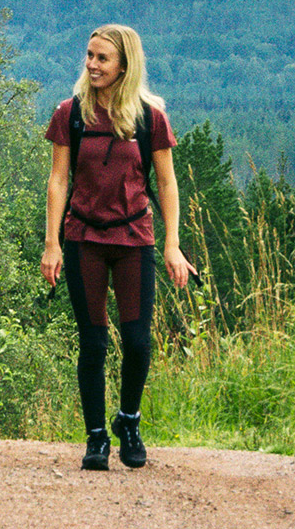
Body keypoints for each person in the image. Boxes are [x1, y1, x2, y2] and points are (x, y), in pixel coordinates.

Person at [40, 24, 194, 471]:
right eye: (89, 56)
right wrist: (51, 244)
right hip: (83, 238)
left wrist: (173, 245)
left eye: (102, 58)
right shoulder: (71, 113)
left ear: (125, 66)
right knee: (92, 341)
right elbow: (58, 180)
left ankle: (128, 420)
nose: (91, 65)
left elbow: (166, 182)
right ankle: (95, 437)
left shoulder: (149, 117)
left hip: (132, 239)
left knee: (137, 341)